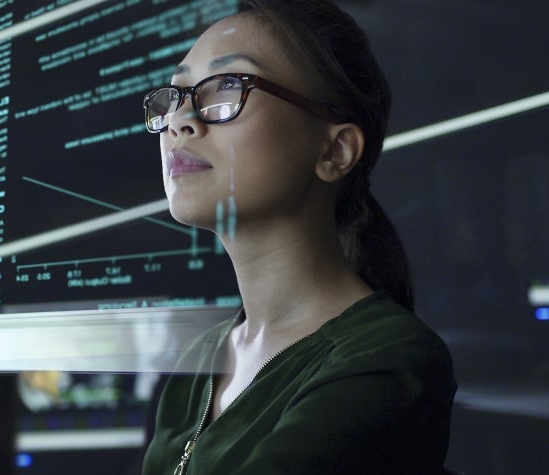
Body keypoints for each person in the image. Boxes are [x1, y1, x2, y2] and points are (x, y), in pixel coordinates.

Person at [140, 1, 456, 473]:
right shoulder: (200, 358)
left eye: (227, 87)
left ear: (335, 150)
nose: (181, 121)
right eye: (177, 95)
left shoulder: (387, 359)